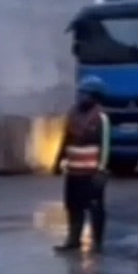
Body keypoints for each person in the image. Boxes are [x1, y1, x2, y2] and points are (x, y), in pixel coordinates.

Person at [53, 76, 110, 253]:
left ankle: (97, 243)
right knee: (73, 206)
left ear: (95, 97)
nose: (82, 97)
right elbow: (65, 139)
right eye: (81, 93)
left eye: (86, 94)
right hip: (73, 172)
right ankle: (73, 239)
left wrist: (101, 170)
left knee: (95, 208)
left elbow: (105, 146)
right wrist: (58, 161)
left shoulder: (101, 118)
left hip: (91, 173)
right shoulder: (72, 114)